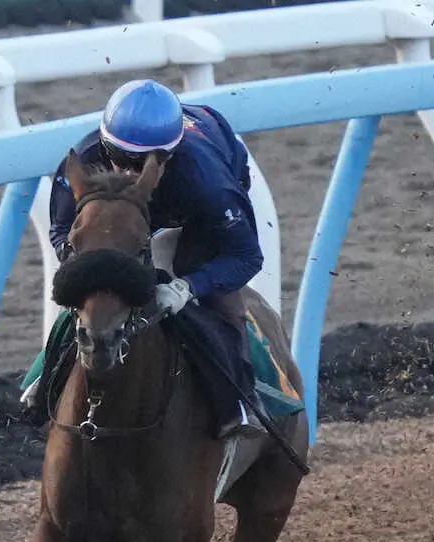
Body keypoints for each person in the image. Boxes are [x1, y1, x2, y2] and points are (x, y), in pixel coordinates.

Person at [21, 78, 266, 439]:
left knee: (222, 303)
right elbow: (61, 229)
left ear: (168, 156)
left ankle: (242, 404)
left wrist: (188, 287)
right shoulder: (84, 159)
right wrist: (85, 262)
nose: (126, 172)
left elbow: (245, 255)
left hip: (193, 211)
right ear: (104, 143)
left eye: (141, 163)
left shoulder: (207, 182)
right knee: (87, 300)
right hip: (126, 221)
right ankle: (44, 382)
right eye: (117, 157)